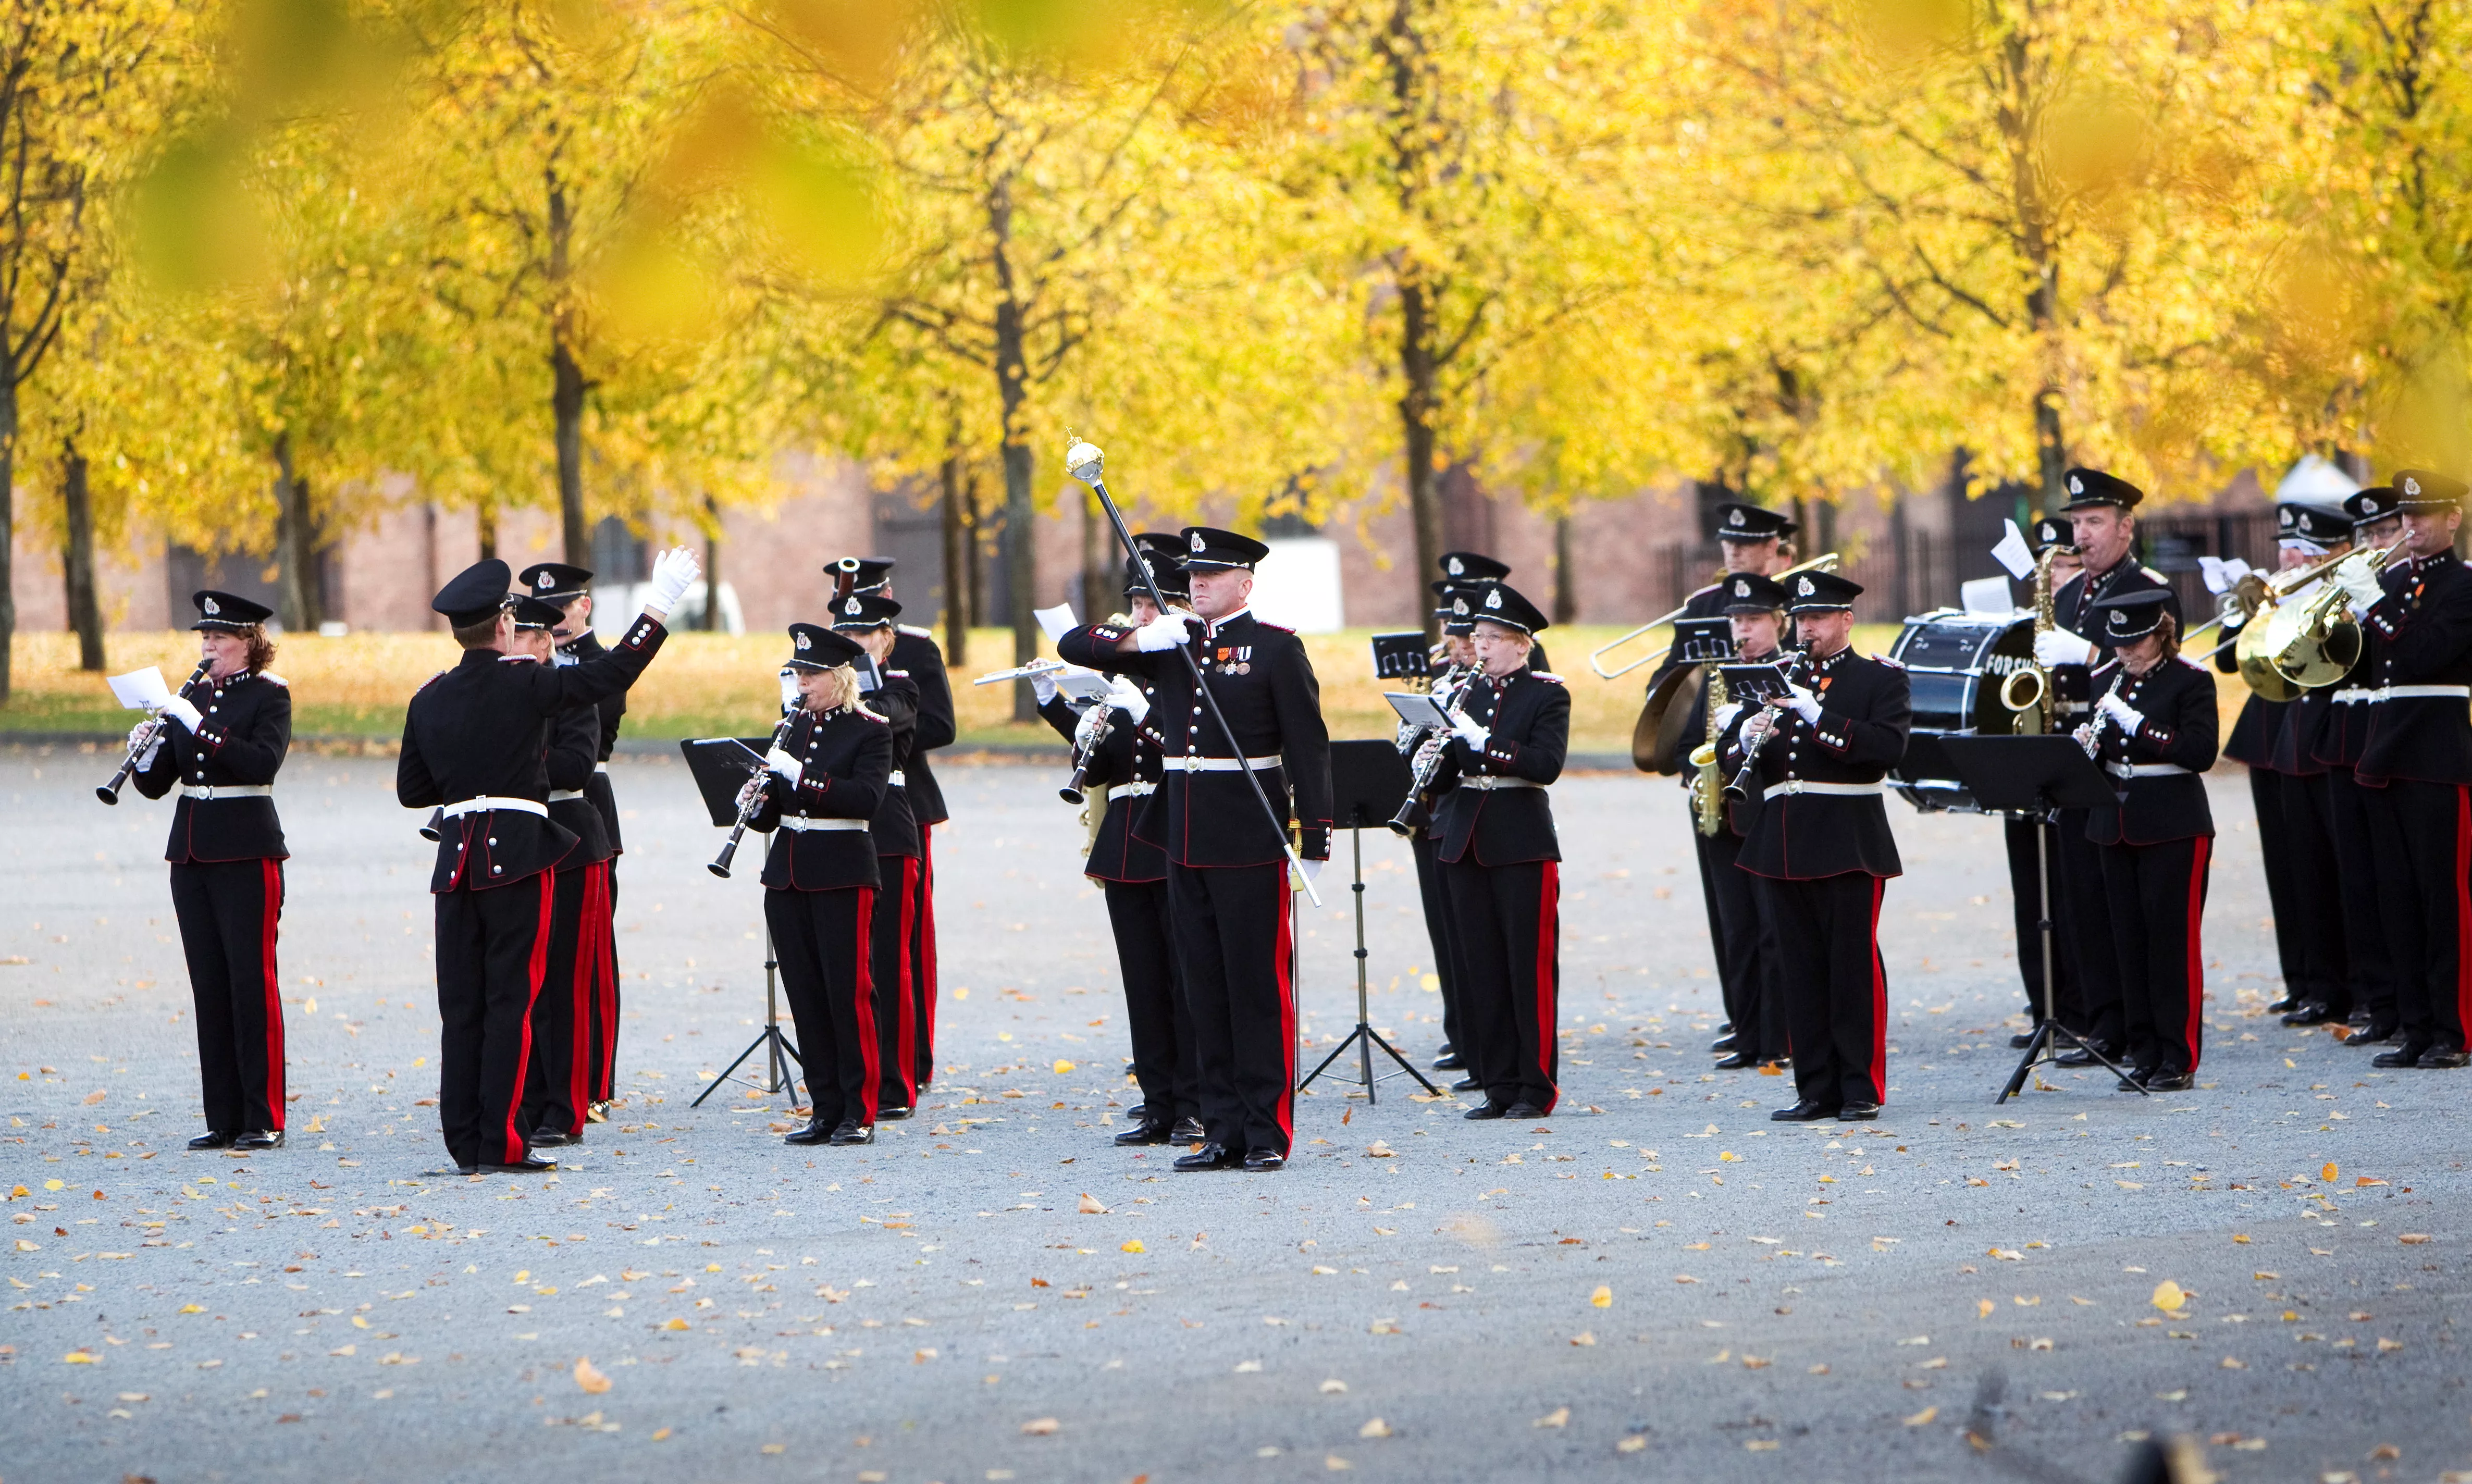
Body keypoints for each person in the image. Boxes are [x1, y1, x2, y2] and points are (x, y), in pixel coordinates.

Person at [397, 549, 698, 1175]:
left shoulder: (430, 697)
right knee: (512, 998)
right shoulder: (525, 683)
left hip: (456, 859)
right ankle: (504, 1141)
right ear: (505, 625)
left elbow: (412, 789)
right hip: (516, 853)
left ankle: (466, 1139)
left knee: (463, 1006)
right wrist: (658, 606)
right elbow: (608, 674)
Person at [1059, 527, 1333, 1173]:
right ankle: (1221, 1129)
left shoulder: (1275, 649)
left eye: (1212, 575)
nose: (1198, 584)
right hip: (1182, 835)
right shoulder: (1172, 646)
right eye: (1193, 576)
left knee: (1256, 989)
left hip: (1249, 833)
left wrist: (1313, 839)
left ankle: (1266, 1131)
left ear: (1245, 583)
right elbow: (1074, 643)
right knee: (1203, 989)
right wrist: (1139, 638)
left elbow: (1309, 749)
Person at [1723, 567, 1910, 1122]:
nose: (1806, 629)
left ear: (1845, 620)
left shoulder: (1880, 679)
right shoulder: (1774, 676)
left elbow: (1888, 748)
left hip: (1848, 836)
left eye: (1817, 618)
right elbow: (1738, 764)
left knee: (1850, 966)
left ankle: (1859, 1087)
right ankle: (1815, 1088)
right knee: (1798, 970)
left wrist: (1815, 714)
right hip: (1783, 838)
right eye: (1800, 619)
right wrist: (1742, 738)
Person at [1038, 547, 1204, 1146]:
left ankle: (1193, 1101)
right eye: (1133, 603)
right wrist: (1065, 715)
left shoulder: (1190, 664)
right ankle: (1157, 1101)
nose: (1137, 614)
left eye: (1149, 604)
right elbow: (1107, 765)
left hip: (1173, 828)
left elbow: (1194, 746)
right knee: (1143, 981)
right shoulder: (1127, 672)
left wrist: (1147, 718)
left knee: (1186, 980)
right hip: (1127, 837)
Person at [131, 590, 294, 1152]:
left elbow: (259, 761)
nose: (209, 648)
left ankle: (263, 1115)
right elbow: (158, 784)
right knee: (211, 986)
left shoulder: (271, 695)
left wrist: (196, 724)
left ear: (249, 643)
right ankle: (223, 1116)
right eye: (204, 638)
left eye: (219, 639)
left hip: (247, 848)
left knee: (252, 982)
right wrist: (148, 754)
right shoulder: (192, 697)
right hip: (193, 852)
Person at [2030, 469, 2179, 1068]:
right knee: (2082, 899)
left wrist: (2086, 655)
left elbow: (2163, 670)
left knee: (2126, 904)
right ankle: (2103, 1019)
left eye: (2094, 522)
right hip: (2074, 755)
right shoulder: (2069, 595)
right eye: (2076, 523)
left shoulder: (2149, 588)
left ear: (2125, 526)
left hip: (2126, 761)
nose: (2082, 535)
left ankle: (2141, 1025)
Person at [1642, 501, 1797, 1058]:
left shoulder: (1800, 601)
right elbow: (1670, 693)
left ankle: (1781, 1028)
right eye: (1727, 543)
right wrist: (1691, 763)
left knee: (1773, 919)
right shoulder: (1705, 608)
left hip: (1771, 789)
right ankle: (1746, 1024)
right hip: (1712, 782)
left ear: (1776, 550)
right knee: (1731, 917)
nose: (1732, 551)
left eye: (1747, 544)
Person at [2341, 469, 2472, 1070]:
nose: (2410, 527)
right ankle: (2415, 1025)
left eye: (2423, 516)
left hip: (2436, 756)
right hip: (2384, 752)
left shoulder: (2463, 587)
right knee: (2396, 899)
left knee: (2443, 899)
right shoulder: (2392, 581)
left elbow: (2422, 652)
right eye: (2405, 517)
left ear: (2452, 519)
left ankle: (2453, 1029)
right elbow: (2355, 666)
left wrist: (2373, 601)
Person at [748, 622, 897, 1144]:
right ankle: (824, 1107)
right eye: (799, 673)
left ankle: (859, 1110)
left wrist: (801, 777)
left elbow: (864, 801)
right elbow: (770, 818)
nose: (802, 683)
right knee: (806, 995)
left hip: (843, 870)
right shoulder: (789, 729)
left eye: (811, 674)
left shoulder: (871, 730)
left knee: (847, 993)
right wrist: (757, 795)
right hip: (789, 871)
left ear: (840, 675)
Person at [1426, 583, 1569, 1119]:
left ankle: (1535, 1086)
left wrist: (1487, 743)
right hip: (1466, 837)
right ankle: (1498, 1082)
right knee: (1480, 965)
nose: (1479, 647)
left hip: (1519, 837)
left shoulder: (1546, 694)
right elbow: (1444, 777)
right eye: (1477, 637)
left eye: (1491, 637)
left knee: (1527, 966)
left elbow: (1545, 765)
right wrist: (1425, 741)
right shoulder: (1465, 693)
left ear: (1520, 643)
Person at [2216, 503, 2354, 1027]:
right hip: (2271, 733)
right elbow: (2231, 660)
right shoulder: (2277, 594)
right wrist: (2240, 610)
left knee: (2325, 867)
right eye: (2287, 545)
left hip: (2312, 733)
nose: (2289, 555)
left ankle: (2338, 983)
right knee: (2288, 866)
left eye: (2303, 547)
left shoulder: (2330, 598)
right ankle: (2302, 978)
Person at [2078, 589, 2219, 1091]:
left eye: (2136, 643)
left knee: (2172, 944)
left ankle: (2177, 1055)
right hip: (2117, 822)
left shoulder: (2191, 682)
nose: (2126, 654)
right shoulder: (2103, 679)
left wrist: (2144, 727)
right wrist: (2082, 749)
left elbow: (2202, 752)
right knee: (2129, 943)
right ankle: (2144, 1050)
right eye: (2118, 644)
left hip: (2173, 821)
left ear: (2161, 633)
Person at [829, 557, 954, 1093]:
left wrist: (874, 738)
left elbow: (941, 725)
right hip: (844, 803)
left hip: (904, 797)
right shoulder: (828, 661)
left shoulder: (916, 651)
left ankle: (913, 1058)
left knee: (906, 940)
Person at [520, 561, 629, 1119]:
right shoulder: (527, 666)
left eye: (561, 608)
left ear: (583, 605)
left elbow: (594, 722)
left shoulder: (599, 666)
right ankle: (544, 1074)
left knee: (589, 950)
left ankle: (595, 1076)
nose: (554, 620)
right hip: (527, 809)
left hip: (585, 795)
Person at [2312, 487, 2405, 1043]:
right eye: (2368, 535)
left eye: (2385, 531)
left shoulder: (2409, 589)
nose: (2375, 543)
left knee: (2400, 880)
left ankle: (2409, 1001)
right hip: (2346, 740)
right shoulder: (2352, 587)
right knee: (2359, 880)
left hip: (2395, 738)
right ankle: (2377, 1000)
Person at [829, 591, 926, 1119]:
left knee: (890, 963)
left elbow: (882, 716)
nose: (853, 644)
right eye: (844, 635)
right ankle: (850, 1082)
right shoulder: (814, 698)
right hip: (836, 834)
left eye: (863, 635)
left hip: (888, 830)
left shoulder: (900, 687)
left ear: (884, 640)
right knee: (846, 966)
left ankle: (896, 1083)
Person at [1696, 573, 1793, 1069]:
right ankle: (1749, 1034)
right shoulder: (1720, 674)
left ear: (1778, 622)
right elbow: (1684, 746)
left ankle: (1781, 1038)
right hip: (1725, 815)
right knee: (1738, 930)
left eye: (1753, 620)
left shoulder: (1790, 674)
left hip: (1769, 815)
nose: (1743, 630)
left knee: (1775, 931)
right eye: (1736, 620)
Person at [2001, 516, 2083, 1046]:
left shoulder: (2091, 615)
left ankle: (2079, 1011)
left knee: (2072, 898)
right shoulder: (2030, 620)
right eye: (2046, 572)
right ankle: (2044, 1009)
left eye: (2067, 568)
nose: (2055, 581)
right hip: (2027, 761)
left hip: (2073, 762)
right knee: (2030, 899)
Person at [1412, 582, 1481, 1081]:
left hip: (1476, 814)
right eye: (1450, 634)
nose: (1453, 644)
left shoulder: (1485, 683)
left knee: (1472, 937)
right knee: (1448, 934)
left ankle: (1480, 1041)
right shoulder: (1444, 680)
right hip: (1435, 817)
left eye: (1464, 635)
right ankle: (1462, 1032)